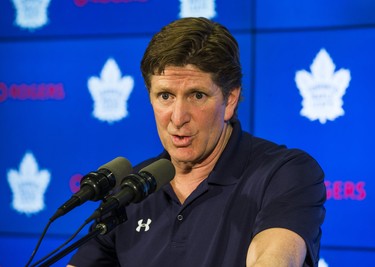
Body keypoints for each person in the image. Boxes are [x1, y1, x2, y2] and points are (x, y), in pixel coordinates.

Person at [68, 17, 326, 267]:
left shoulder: (284, 173)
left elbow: (272, 259)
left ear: (230, 100)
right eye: (165, 95)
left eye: (197, 95)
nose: (178, 118)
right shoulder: (131, 189)